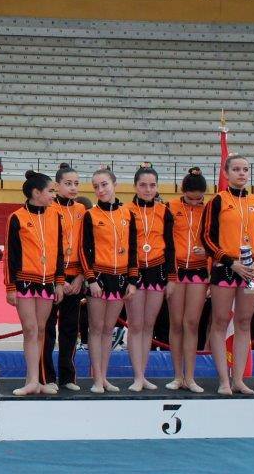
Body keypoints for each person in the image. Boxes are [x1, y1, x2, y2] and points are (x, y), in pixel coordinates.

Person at [203, 153, 254, 394]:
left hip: (250, 271)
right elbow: (207, 238)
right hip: (226, 270)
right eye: (237, 169)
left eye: (245, 169)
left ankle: (239, 379)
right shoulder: (217, 201)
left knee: (243, 322)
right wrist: (230, 262)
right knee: (219, 322)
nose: (242, 173)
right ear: (226, 174)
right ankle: (223, 380)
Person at [3, 171, 65, 396]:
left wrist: (59, 282)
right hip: (25, 283)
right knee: (30, 330)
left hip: (47, 282)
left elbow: (59, 252)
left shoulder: (55, 215)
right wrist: (10, 287)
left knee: (41, 331)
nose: (53, 195)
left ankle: (38, 380)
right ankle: (30, 379)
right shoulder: (17, 217)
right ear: (36, 192)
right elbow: (11, 254)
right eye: (50, 191)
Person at [81, 166, 136, 394]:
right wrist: (91, 279)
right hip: (99, 280)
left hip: (120, 280)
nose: (100, 190)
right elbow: (83, 250)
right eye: (96, 187)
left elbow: (133, 250)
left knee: (108, 330)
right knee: (95, 329)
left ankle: (105, 378)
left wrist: (132, 280)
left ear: (115, 185)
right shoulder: (90, 215)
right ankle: (97, 379)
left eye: (104, 185)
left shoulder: (127, 214)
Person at [126, 164, 174, 392]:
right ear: (135, 186)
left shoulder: (164, 211)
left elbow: (171, 246)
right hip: (134, 273)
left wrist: (171, 278)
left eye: (152, 185)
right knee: (135, 325)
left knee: (148, 325)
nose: (147, 189)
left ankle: (143, 374)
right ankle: (136, 375)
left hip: (157, 271)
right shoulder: (126, 211)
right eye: (143, 185)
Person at [166, 167, 211, 392]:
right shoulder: (171, 207)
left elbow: (214, 238)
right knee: (176, 323)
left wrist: (208, 254)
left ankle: (191, 377)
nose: (194, 203)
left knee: (191, 323)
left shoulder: (209, 208)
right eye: (190, 199)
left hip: (199, 270)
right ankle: (177, 376)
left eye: (198, 199)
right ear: (182, 192)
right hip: (176, 270)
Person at [44, 163, 87, 391]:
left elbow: (86, 247)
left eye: (76, 184)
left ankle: (68, 377)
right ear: (57, 185)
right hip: (53, 278)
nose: (73, 188)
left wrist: (81, 276)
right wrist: (57, 281)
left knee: (71, 329)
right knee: (49, 329)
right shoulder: (49, 209)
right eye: (68, 184)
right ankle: (48, 377)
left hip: (76, 277)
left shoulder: (82, 210)